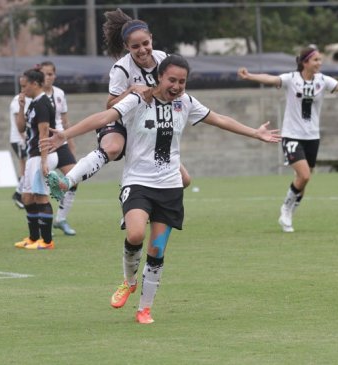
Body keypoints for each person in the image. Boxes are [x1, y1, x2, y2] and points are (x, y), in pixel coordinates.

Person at [42, 55, 281, 324]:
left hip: (169, 187)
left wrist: (255, 133)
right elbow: (105, 116)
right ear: (159, 78)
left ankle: (145, 309)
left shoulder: (186, 103)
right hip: (138, 182)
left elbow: (220, 119)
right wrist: (67, 134)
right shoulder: (138, 100)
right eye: (172, 80)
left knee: (156, 250)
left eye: (182, 81)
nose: (177, 86)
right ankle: (129, 281)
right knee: (134, 234)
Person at [237, 46, 338, 233]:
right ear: (305, 62)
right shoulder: (291, 79)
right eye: (316, 60)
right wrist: (250, 76)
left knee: (303, 180)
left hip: (312, 137)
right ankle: (286, 208)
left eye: (320, 60)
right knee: (304, 175)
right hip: (292, 135)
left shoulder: (322, 81)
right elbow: (271, 79)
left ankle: (291, 210)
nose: (320, 63)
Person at [49, 8, 191, 199]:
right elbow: (110, 105)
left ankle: (140, 201)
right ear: (126, 46)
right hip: (122, 121)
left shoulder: (163, 59)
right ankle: (67, 181)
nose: (142, 50)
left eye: (145, 43)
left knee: (184, 180)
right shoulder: (121, 69)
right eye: (135, 46)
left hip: (150, 124)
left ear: (151, 38)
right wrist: (130, 90)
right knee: (113, 148)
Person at [13, 68, 58, 250]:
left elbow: (44, 133)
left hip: (41, 155)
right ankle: (33, 238)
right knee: (27, 198)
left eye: (25, 86)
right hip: (33, 156)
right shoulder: (32, 104)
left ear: (35, 84)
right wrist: (22, 106)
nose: (22, 90)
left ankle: (47, 241)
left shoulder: (43, 104)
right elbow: (21, 129)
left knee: (41, 197)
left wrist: (44, 160)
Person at [38, 61, 78, 236]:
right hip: (45, 144)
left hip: (60, 142)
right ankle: (44, 223)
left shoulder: (60, 94)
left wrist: (71, 142)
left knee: (74, 178)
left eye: (50, 74)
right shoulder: (36, 95)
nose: (48, 77)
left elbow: (66, 121)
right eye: (45, 74)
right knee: (42, 185)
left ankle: (60, 219)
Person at [9, 76, 31, 209]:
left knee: (27, 166)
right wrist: (26, 139)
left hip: (24, 139)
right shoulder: (18, 100)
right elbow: (19, 123)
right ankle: (19, 194)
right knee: (26, 166)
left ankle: (22, 194)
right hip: (19, 139)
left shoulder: (28, 99)